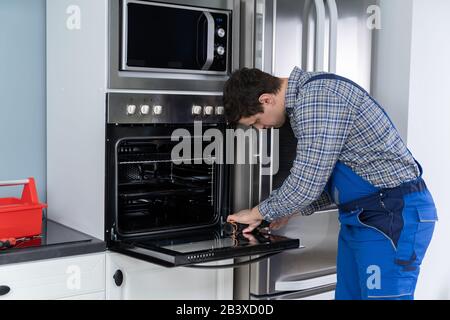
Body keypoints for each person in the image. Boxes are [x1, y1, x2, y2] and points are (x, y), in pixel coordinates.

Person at [223, 67, 437, 300]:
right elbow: (333, 176)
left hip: (392, 217)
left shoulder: (318, 98)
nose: (260, 128)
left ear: (266, 99)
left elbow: (307, 183)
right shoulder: (306, 102)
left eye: (256, 121)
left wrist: (257, 212)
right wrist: (291, 210)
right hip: (362, 216)